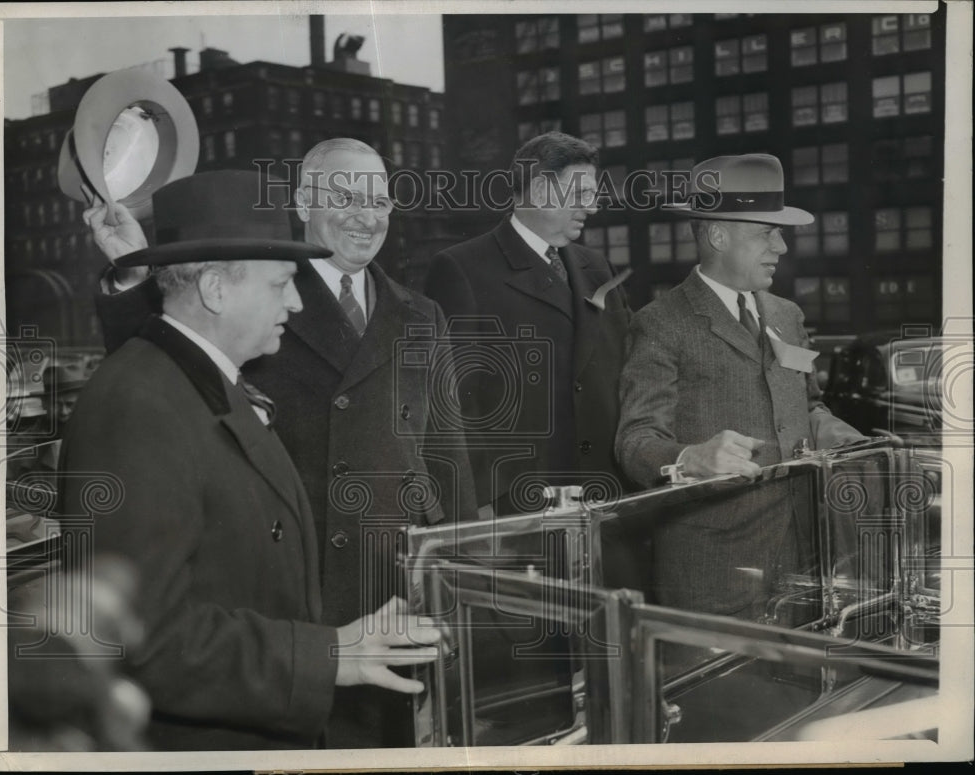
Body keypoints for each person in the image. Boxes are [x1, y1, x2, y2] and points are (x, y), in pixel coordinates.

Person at [86, 139, 476, 747]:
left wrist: (450, 576)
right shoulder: (254, 289)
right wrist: (138, 275)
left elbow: (446, 456)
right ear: (301, 201)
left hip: (388, 582)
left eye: (379, 200)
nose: (366, 216)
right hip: (291, 588)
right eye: (345, 197)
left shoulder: (420, 312)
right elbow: (166, 369)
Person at [616, 153, 866, 619]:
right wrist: (690, 458)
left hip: (804, 560)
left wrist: (835, 433)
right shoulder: (660, 324)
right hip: (715, 571)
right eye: (766, 233)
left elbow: (808, 404)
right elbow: (636, 440)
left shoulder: (788, 316)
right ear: (717, 234)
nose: (782, 247)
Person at [424, 131, 632, 522]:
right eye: (581, 192)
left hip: (610, 504)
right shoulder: (462, 269)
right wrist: (482, 506)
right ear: (539, 189)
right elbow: (453, 402)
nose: (593, 205)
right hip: (520, 510)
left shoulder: (597, 267)